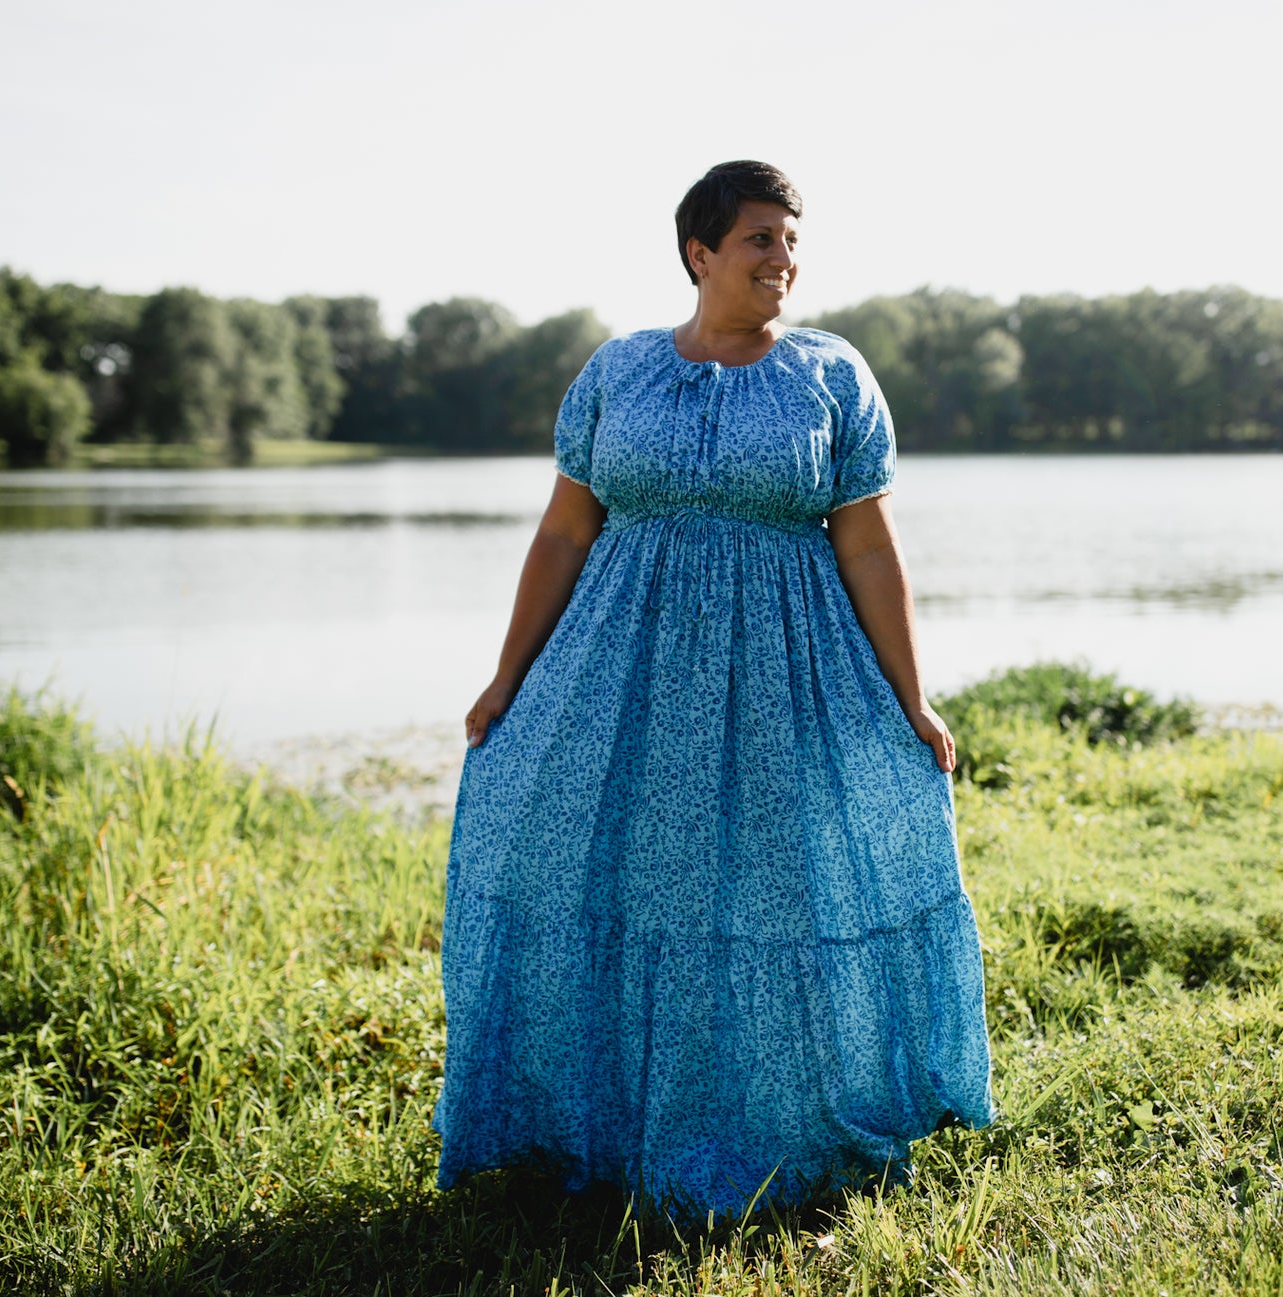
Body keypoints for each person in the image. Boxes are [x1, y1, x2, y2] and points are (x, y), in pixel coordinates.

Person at [433, 160, 993, 1217]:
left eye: (791, 239)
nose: (783, 259)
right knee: (618, 880)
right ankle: (592, 1121)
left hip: (787, 675)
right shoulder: (618, 370)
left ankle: (773, 1120)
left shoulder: (832, 377)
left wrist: (909, 696)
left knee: (772, 891)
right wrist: (508, 675)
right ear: (699, 253)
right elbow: (564, 530)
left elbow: (868, 549)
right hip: (618, 677)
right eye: (759, 240)